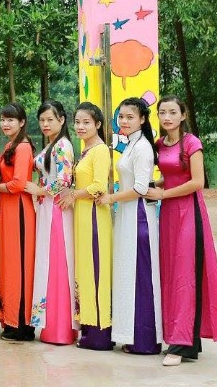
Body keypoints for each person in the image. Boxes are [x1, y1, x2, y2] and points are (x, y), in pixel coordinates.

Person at [147, 96, 217, 366]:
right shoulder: (160, 144)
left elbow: (197, 182)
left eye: (173, 112)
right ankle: (184, 340)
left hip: (188, 213)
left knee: (186, 274)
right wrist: (150, 186)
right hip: (168, 215)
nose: (167, 117)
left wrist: (163, 193)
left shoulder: (192, 143)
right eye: (162, 112)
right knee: (171, 273)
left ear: (183, 115)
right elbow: (170, 176)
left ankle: (181, 344)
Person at [99, 97, 162, 355]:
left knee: (141, 275)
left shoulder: (143, 147)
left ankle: (145, 340)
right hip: (127, 215)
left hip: (139, 218)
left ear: (142, 119)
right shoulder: (131, 144)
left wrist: (111, 198)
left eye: (130, 117)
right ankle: (132, 335)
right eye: (121, 117)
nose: (124, 121)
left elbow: (140, 188)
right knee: (128, 273)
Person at [63, 103, 113, 351]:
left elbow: (99, 186)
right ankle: (88, 329)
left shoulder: (100, 150)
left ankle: (100, 334)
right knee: (85, 271)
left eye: (86, 122)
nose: (80, 127)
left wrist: (73, 194)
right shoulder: (86, 151)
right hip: (82, 215)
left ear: (98, 125)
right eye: (78, 122)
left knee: (96, 271)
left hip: (94, 216)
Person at [29, 100, 78, 345]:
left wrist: (38, 189)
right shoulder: (51, 145)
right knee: (47, 264)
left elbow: (64, 180)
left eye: (50, 119)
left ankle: (61, 329)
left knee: (58, 264)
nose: (45, 124)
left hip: (57, 209)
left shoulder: (63, 145)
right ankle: (50, 326)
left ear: (62, 120)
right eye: (42, 120)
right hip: (47, 208)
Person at [0, 103, 37, 342]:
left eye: (11, 120)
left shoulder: (23, 147)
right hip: (8, 208)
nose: (6, 124)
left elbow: (18, 183)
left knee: (18, 265)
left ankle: (21, 324)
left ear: (22, 122)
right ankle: (10, 319)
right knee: (8, 264)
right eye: (3, 119)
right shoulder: (10, 145)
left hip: (19, 208)